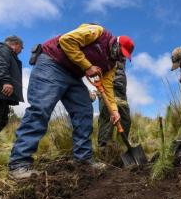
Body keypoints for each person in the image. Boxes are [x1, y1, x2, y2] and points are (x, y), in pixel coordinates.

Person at [8, 23, 134, 179]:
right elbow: (67, 40)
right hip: (52, 64)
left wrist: (114, 111)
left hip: (73, 75)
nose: (120, 58)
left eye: (123, 56)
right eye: (120, 53)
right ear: (115, 44)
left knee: (84, 111)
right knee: (41, 109)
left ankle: (83, 160)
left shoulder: (112, 64)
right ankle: (18, 164)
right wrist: (87, 66)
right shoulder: (98, 32)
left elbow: (107, 87)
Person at [97, 60, 131, 149]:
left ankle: (121, 149)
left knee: (126, 120)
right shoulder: (109, 49)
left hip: (122, 92)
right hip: (108, 89)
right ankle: (104, 150)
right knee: (108, 119)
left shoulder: (122, 60)